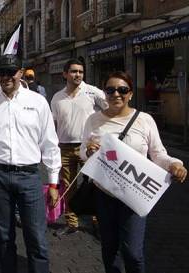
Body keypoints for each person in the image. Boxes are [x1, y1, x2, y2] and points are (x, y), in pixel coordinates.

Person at [80, 71, 187, 273]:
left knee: (133, 253)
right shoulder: (93, 120)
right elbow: (83, 153)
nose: (116, 94)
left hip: (135, 196)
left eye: (122, 90)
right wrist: (88, 151)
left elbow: (158, 154)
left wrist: (174, 164)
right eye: (110, 90)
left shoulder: (144, 120)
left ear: (130, 93)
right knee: (109, 249)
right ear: (104, 93)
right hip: (104, 195)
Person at [0, 54, 61, 273]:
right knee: (4, 237)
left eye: (11, 72)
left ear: (20, 72)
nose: (6, 77)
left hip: (30, 177)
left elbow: (50, 143)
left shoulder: (37, 102)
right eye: (1, 72)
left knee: (36, 236)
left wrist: (53, 183)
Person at [50, 58, 107, 235]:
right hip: (65, 149)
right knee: (68, 188)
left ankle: (98, 222)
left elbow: (111, 109)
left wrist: (101, 133)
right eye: (74, 71)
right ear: (65, 74)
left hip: (89, 148)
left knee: (96, 186)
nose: (78, 75)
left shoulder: (92, 92)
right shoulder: (57, 98)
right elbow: (53, 125)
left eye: (81, 72)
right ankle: (72, 223)